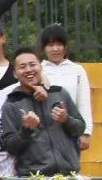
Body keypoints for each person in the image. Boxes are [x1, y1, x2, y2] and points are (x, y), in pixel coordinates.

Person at [0, 48, 85, 180]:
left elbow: (80, 128)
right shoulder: (11, 103)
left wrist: (66, 119)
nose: (28, 70)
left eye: (32, 64)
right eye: (22, 67)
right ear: (15, 73)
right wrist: (26, 129)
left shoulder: (59, 93)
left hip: (69, 178)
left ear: (40, 66)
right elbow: (9, 146)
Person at [40, 24, 93, 152]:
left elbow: (83, 102)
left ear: (65, 46)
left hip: (71, 129)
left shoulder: (77, 70)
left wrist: (86, 133)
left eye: (59, 44)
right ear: (44, 48)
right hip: (45, 132)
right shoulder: (39, 70)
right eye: (50, 45)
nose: (55, 49)